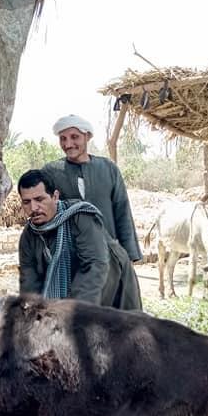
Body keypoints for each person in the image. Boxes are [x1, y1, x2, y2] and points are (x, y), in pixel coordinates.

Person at [17, 169, 142, 309]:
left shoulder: (81, 218)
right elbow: (29, 282)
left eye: (40, 199)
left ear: (55, 196)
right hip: (75, 291)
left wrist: (73, 315)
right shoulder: (28, 236)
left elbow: (95, 265)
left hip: (111, 280)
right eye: (26, 202)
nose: (33, 208)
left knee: (117, 326)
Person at [41, 114, 142, 262]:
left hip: (109, 257)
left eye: (74, 137)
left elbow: (122, 212)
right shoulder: (51, 172)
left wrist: (129, 256)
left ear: (87, 136)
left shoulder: (108, 168)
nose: (68, 144)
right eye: (63, 138)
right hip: (70, 260)